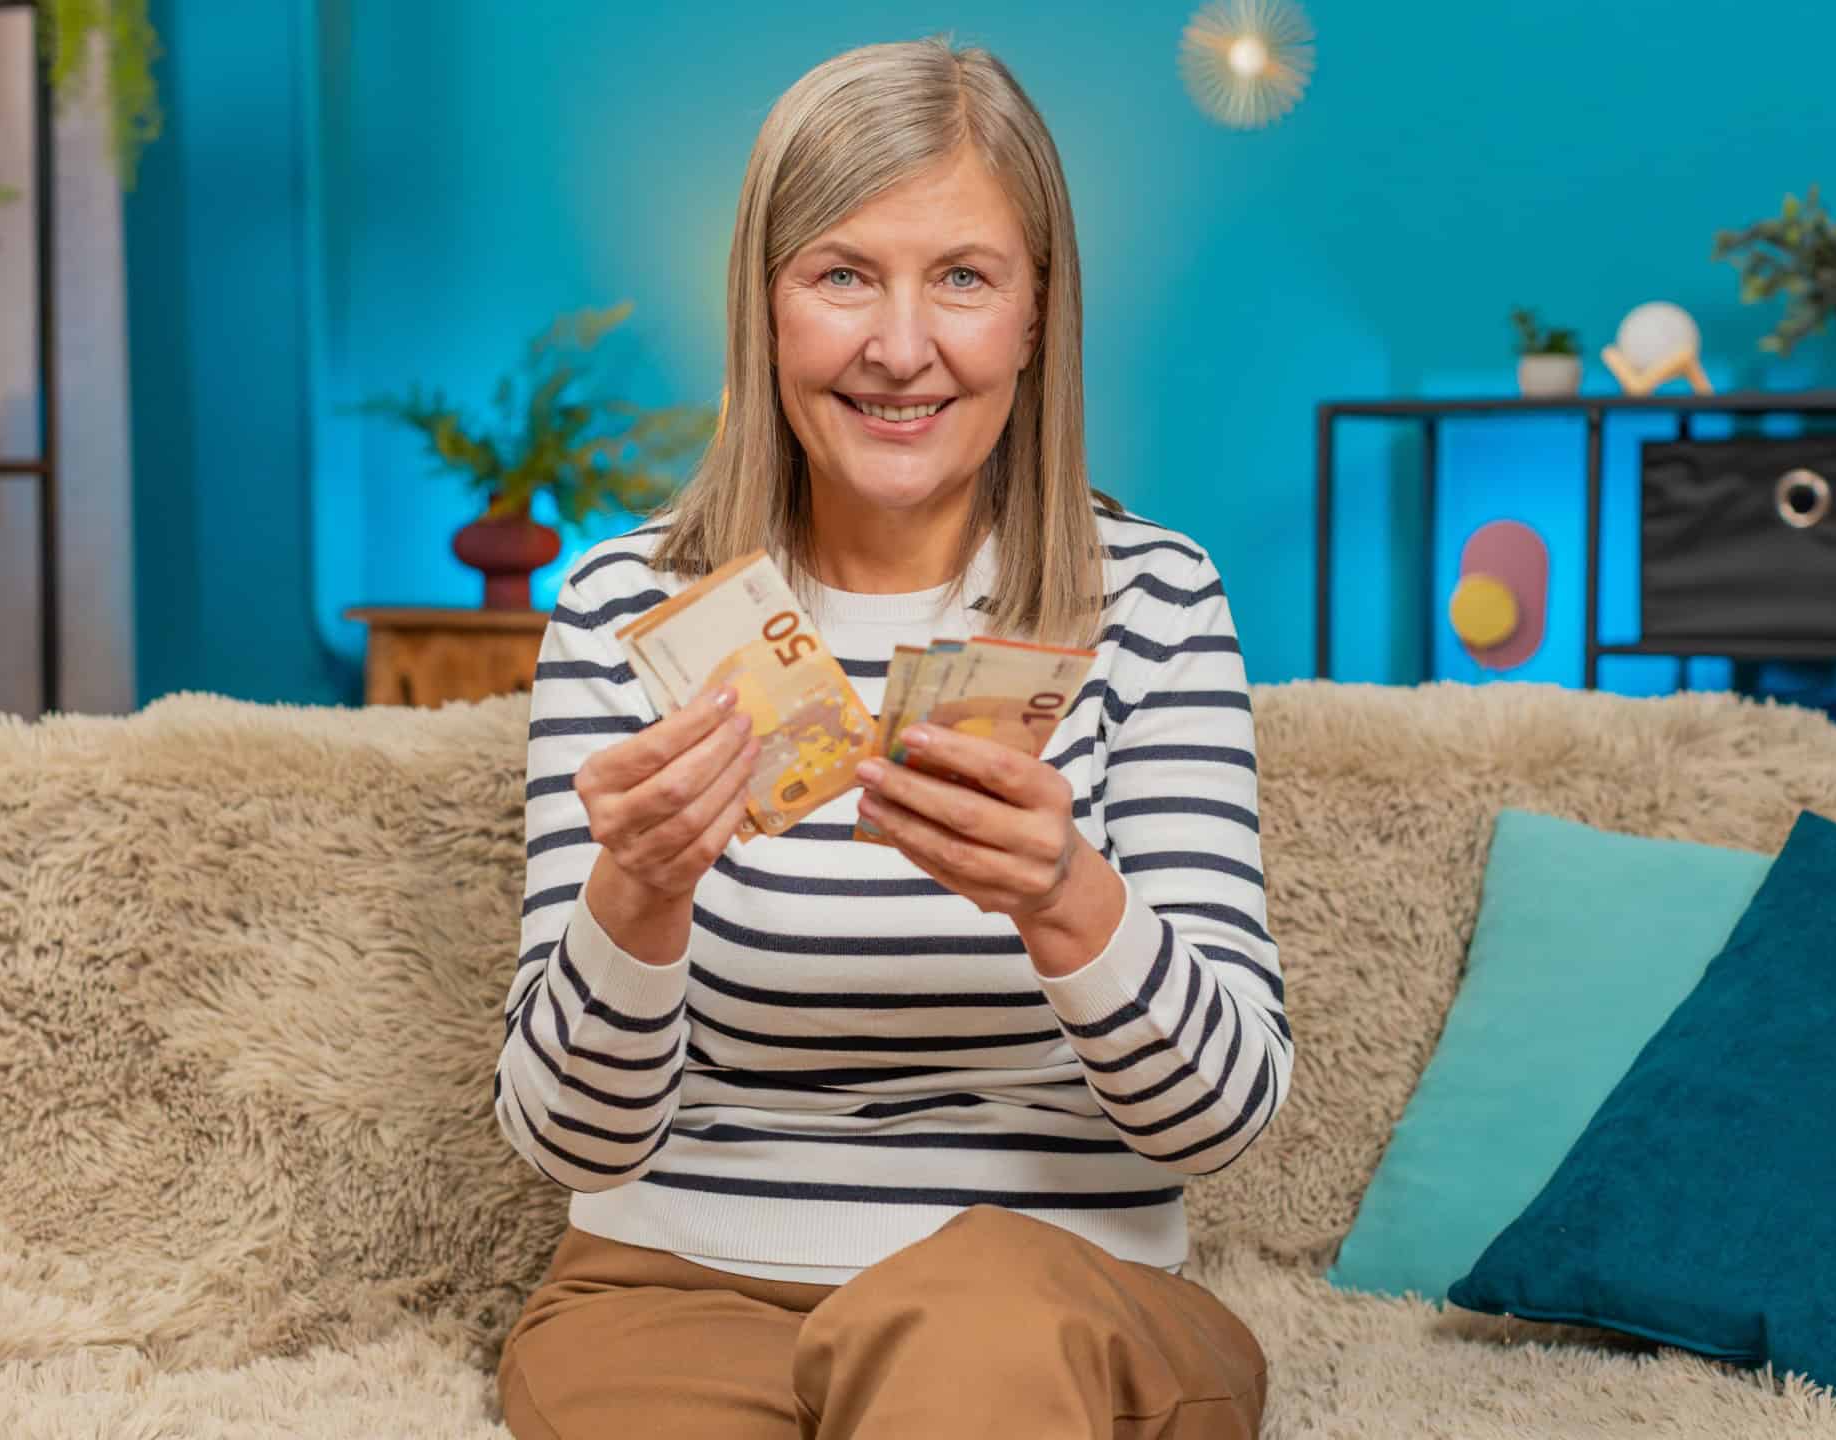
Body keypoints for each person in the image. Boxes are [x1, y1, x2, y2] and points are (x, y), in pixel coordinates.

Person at [494, 34, 1288, 1440]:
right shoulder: (628, 607)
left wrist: (1068, 896)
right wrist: (639, 893)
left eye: (964, 279)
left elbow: (1218, 1124)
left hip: (1051, 1291)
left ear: (1038, 316)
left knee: (963, 1335)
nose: (901, 347)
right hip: (675, 1293)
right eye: (843, 274)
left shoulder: (1155, 601)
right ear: (766, 305)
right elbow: (568, 1139)